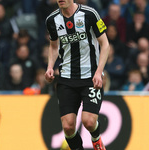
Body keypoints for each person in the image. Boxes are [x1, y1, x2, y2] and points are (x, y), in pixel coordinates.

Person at [45, 0, 110, 150]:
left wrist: (99, 72)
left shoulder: (90, 14)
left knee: (88, 121)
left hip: (91, 77)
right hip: (67, 78)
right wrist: (50, 66)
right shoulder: (52, 20)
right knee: (68, 126)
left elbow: (105, 44)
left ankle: (96, 139)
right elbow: (54, 46)